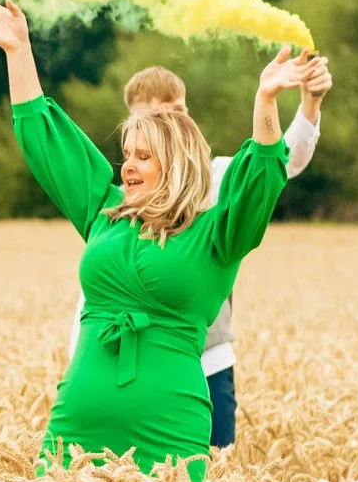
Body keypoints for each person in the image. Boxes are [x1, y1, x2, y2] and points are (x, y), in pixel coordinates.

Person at [0, 0, 310, 482]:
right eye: (127, 154)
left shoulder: (216, 234)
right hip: (75, 427)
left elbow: (261, 175)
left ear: (175, 164)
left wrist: (266, 102)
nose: (127, 165)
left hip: (170, 431)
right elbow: (47, 140)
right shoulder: (104, 212)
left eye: (143, 157)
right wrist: (18, 52)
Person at [64, 57, 331, 449]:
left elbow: (278, 160)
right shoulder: (118, 198)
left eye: (180, 110)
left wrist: (307, 104)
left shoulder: (217, 177)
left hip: (205, 358)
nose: (174, 121)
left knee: (211, 471)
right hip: (117, 363)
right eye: (159, 115)